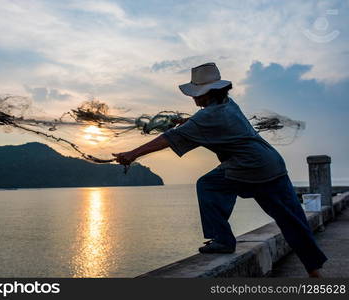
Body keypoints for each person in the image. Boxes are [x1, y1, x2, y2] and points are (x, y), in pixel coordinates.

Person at [112, 62, 327, 278]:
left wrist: (132, 154)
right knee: (292, 220)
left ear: (209, 93)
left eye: (196, 93)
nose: (193, 98)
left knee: (209, 185)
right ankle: (315, 272)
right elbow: (203, 123)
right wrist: (186, 121)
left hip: (249, 167)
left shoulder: (206, 117)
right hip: (272, 164)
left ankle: (223, 239)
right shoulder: (229, 105)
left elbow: (168, 138)